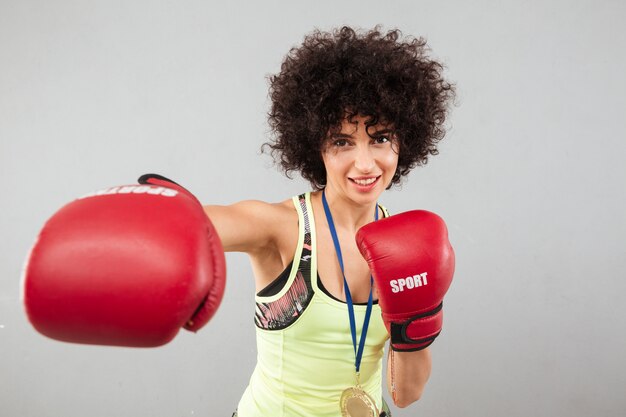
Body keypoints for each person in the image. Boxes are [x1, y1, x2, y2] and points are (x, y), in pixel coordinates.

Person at [203, 26, 456, 417]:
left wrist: (415, 322)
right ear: (313, 145)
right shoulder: (281, 228)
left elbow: (406, 394)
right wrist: (158, 211)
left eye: (380, 138)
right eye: (342, 142)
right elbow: (196, 227)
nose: (366, 163)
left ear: (403, 141)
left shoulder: (408, 245)